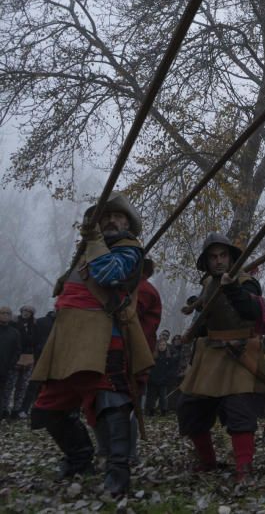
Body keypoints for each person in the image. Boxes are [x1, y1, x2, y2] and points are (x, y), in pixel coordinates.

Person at [30, 193, 155, 496]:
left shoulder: (130, 250)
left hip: (103, 336)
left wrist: (95, 239)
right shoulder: (85, 253)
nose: (111, 220)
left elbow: (108, 274)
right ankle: (79, 458)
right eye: (105, 216)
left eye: (118, 216)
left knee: (111, 404)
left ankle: (118, 474)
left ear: (128, 224)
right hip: (66, 339)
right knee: (48, 409)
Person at [177, 232, 265, 483]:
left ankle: (244, 469)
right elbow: (208, 321)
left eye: (223, 255)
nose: (218, 261)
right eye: (213, 257)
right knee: (190, 409)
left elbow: (251, 311)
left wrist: (233, 288)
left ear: (231, 258)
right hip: (210, 353)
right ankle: (207, 462)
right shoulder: (207, 285)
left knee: (240, 411)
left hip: (240, 352)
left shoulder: (247, 282)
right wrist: (192, 332)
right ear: (207, 262)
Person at [10, 306, 38, 418]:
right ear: (21, 311)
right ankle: (5, 409)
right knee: (10, 384)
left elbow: (34, 341)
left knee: (22, 386)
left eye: (29, 312)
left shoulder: (34, 325)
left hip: (29, 358)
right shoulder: (14, 322)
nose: (26, 313)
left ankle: (16, 409)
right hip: (15, 357)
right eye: (24, 311)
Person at [0, 306, 21, 419]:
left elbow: (17, 351)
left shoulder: (14, 332)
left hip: (5, 369)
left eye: (8, 313)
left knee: (2, 393)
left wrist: (11, 365)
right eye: (2, 313)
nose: (5, 315)